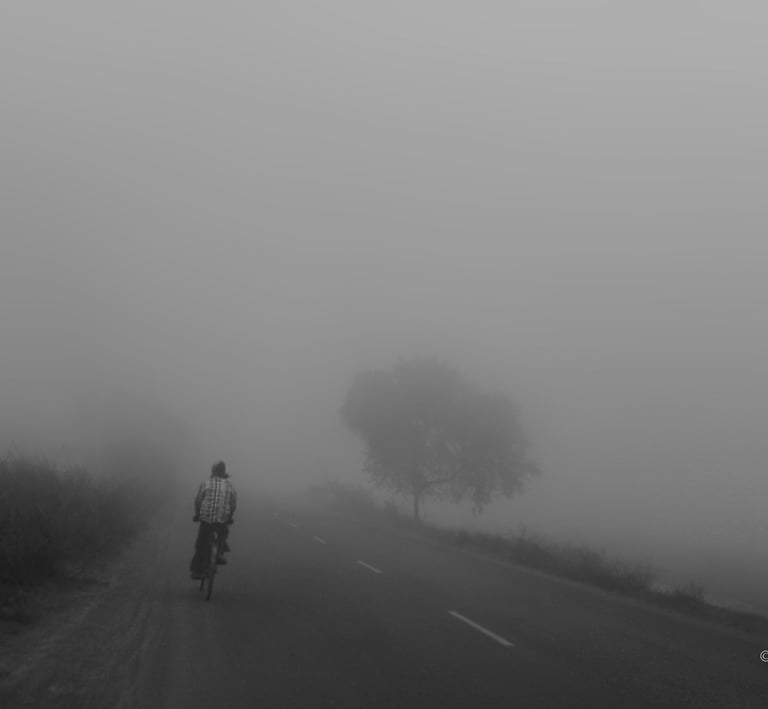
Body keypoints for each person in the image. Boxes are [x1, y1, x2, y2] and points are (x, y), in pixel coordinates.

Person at [189, 461, 237, 579]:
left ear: (213, 472)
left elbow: (198, 501)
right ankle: (219, 553)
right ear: (224, 473)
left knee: (201, 543)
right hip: (222, 520)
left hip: (206, 520)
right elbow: (233, 504)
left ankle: (197, 571)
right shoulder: (230, 486)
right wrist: (230, 517)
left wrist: (197, 515)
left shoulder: (205, 483)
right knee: (224, 532)